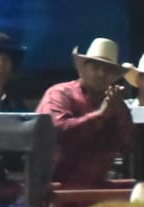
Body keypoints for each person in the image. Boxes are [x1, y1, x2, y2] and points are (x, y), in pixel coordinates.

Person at [34, 38, 135, 187]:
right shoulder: (59, 94)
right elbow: (57, 132)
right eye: (95, 67)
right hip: (53, 190)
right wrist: (100, 115)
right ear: (82, 69)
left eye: (108, 70)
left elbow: (129, 143)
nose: (101, 74)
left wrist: (117, 115)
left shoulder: (116, 104)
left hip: (95, 190)